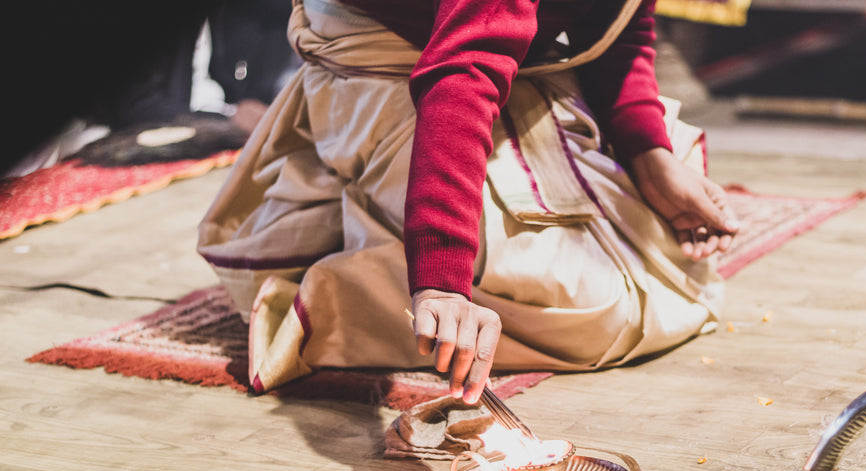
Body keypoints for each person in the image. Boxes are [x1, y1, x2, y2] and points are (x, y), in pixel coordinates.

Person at [197, 0, 740, 403]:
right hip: (393, 61)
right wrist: (441, 281)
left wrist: (650, 157)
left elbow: (617, 23)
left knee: (660, 249)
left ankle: (377, 224)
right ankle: (340, 288)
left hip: (501, 51)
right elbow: (464, 71)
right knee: (590, 306)